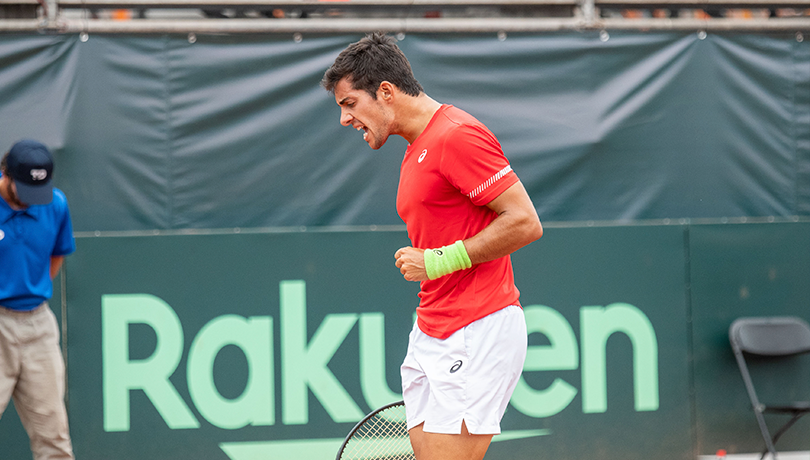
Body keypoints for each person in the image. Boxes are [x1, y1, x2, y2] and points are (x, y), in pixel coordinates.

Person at [322, 32, 543, 460]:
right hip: (432, 330)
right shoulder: (415, 148)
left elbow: (525, 222)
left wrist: (440, 260)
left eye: (349, 104)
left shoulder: (457, 136)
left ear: (384, 92)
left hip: (477, 326)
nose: (345, 120)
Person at [0, 139, 76, 460]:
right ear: (6, 175)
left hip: (38, 326)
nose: (33, 201)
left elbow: (55, 258)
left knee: (54, 439)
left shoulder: (55, 205)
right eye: (25, 190)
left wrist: (30, 288)